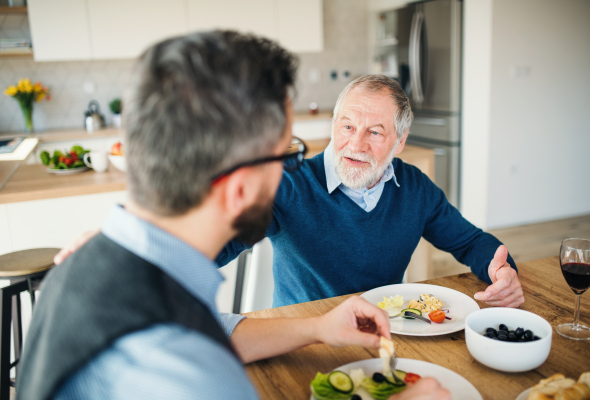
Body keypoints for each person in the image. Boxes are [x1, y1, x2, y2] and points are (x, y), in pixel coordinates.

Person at [17, 32, 449, 400]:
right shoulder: (194, 376)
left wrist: (317, 328)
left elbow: (212, 327)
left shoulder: (101, 264)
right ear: (241, 186)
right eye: (288, 155)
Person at [56, 74, 524, 310]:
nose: (355, 145)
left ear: (399, 142)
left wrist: (500, 271)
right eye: (346, 126)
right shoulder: (289, 182)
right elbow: (210, 243)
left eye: (375, 133)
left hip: (387, 332)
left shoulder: (415, 190)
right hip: (299, 338)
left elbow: (471, 243)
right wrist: (128, 246)